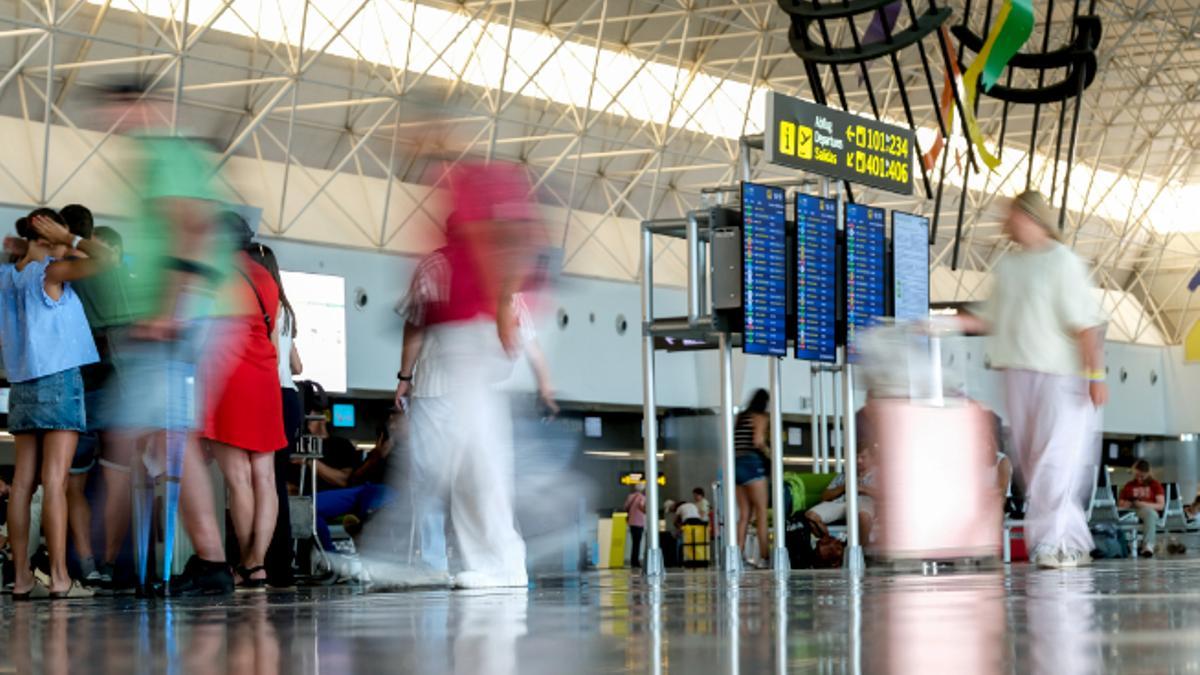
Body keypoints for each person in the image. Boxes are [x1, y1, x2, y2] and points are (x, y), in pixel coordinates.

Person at [94, 78, 240, 595]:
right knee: (165, 436)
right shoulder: (156, 159)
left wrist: (169, 309)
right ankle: (205, 561)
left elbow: (193, 226)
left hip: (188, 313)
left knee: (143, 433)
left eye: (124, 107)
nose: (117, 121)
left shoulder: (166, 155)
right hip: (193, 311)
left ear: (148, 107)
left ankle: (116, 557)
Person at [956, 191, 1108, 570]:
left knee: (1056, 463)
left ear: (1030, 217)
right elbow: (989, 317)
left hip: (1062, 377)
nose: (1005, 222)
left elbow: (1086, 324)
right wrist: (940, 323)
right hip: (1018, 375)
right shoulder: (1009, 268)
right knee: (1034, 464)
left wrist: (1096, 374)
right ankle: (1072, 541)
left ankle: (1053, 544)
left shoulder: (1063, 262)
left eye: (1010, 215)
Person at [0, 209, 115, 598]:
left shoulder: (7, 277)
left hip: (21, 384)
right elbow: (108, 260)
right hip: (58, 380)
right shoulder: (51, 272)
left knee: (21, 484)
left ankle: (21, 578)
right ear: (48, 232)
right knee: (54, 482)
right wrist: (73, 239)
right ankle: (62, 577)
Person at [203, 222, 287, 591]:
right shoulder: (266, 277)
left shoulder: (217, 275)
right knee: (265, 477)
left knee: (238, 480)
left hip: (231, 376)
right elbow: (271, 335)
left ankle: (247, 565)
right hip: (265, 377)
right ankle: (258, 563)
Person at [258, 243, 303, 588]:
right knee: (276, 482)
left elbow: (271, 356)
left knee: (267, 483)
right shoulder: (287, 308)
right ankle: (280, 564)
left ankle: (273, 564)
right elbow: (297, 365)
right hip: (292, 397)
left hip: (272, 394)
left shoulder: (265, 302)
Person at [804, 444, 878, 542]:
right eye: (856, 457)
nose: (858, 461)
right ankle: (831, 542)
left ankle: (861, 552)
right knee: (811, 515)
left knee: (864, 517)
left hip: (864, 502)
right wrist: (844, 488)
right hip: (840, 502)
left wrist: (861, 489)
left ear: (872, 458)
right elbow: (824, 497)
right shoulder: (844, 475)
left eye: (863, 457)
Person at [734, 389, 771, 568]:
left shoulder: (741, 417)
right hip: (752, 463)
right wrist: (769, 453)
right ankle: (765, 557)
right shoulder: (760, 416)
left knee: (744, 515)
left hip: (737, 464)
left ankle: (737, 556)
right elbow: (757, 441)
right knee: (761, 512)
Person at [1118, 460, 1165, 558]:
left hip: (1148, 511)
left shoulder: (1155, 485)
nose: (1139, 479)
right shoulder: (1129, 485)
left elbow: (1160, 505)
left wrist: (1142, 504)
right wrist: (1127, 503)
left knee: (1149, 513)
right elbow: (1120, 504)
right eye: (1136, 476)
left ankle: (1148, 545)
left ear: (1148, 473)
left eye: (1142, 476)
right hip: (1131, 511)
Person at [622, 483, 647, 569]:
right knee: (638, 542)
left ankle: (633, 561)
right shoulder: (643, 498)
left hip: (631, 522)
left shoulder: (630, 496)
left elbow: (625, 507)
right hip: (639, 522)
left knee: (634, 542)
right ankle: (636, 562)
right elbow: (643, 508)